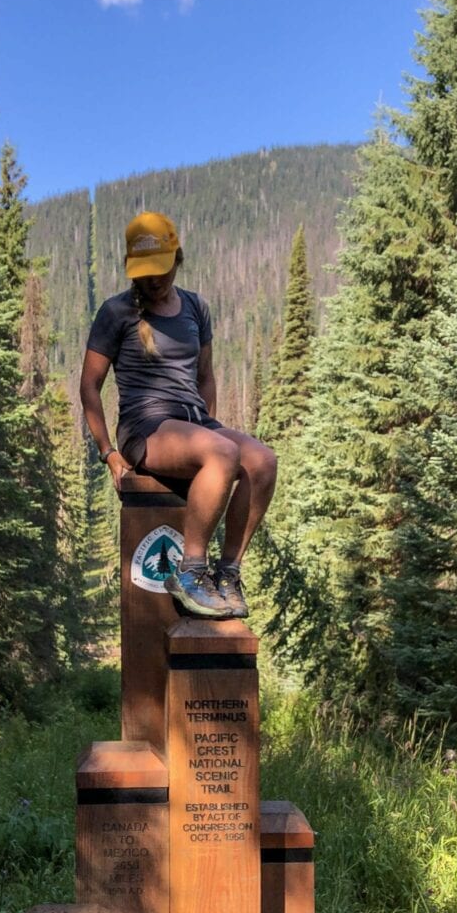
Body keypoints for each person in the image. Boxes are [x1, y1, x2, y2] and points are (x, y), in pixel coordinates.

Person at [80, 211, 278, 618]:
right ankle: (190, 573)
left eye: (161, 269)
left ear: (177, 256)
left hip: (192, 422)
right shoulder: (116, 313)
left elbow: (205, 376)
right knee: (222, 454)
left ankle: (228, 574)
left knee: (261, 461)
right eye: (145, 272)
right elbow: (89, 388)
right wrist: (108, 452)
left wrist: (205, 429)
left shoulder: (195, 308)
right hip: (145, 427)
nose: (154, 279)